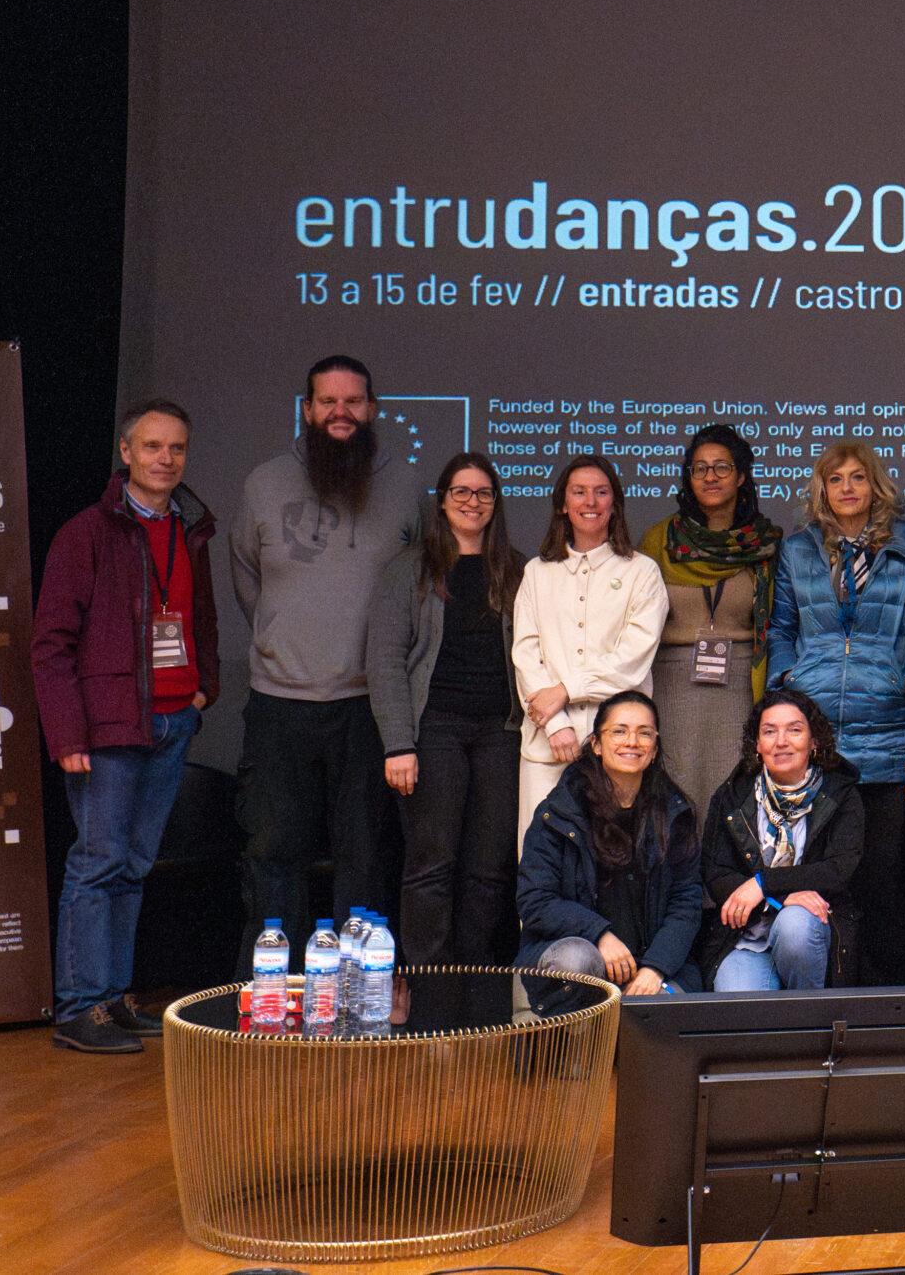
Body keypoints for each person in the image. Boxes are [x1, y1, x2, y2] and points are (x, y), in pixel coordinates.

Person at [32, 400, 218, 1053]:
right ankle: (79, 1008)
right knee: (99, 862)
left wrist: (203, 692)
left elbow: (200, 620)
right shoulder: (87, 533)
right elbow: (51, 644)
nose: (165, 459)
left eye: (177, 449)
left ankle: (112, 997)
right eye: (152, 446)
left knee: (134, 866)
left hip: (172, 722)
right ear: (126, 452)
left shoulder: (190, 529)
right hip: (108, 730)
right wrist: (67, 736)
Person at [228, 354, 423, 964]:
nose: (341, 412)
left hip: (368, 707)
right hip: (280, 702)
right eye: (328, 402)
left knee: (364, 857)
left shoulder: (407, 486)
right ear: (307, 410)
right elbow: (247, 582)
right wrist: (285, 641)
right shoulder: (265, 482)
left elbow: (421, 588)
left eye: (354, 402)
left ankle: (348, 996)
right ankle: (271, 993)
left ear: (373, 409)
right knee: (273, 850)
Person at [765, 438, 905, 984]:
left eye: (857, 478)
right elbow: (784, 628)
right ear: (822, 488)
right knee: (826, 878)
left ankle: (884, 997)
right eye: (835, 479)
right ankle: (833, 991)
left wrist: (901, 674)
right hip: (819, 734)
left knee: (882, 879)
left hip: (887, 730)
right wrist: (787, 682)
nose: (846, 489)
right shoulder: (797, 550)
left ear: (875, 485)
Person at [367, 451, 524, 968]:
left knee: (490, 866)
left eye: (483, 493)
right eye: (461, 492)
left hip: (502, 733)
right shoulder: (409, 568)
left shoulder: (516, 569)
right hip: (434, 732)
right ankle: (431, 982)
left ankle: (474, 977)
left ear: (495, 504)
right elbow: (385, 660)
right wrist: (398, 744)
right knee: (432, 864)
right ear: (442, 500)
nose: (472, 502)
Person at [511, 455, 668, 844]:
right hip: (546, 745)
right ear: (563, 504)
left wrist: (566, 690)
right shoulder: (537, 572)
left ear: (615, 503)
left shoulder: (642, 572)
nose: (591, 502)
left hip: (619, 747)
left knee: (612, 862)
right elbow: (526, 653)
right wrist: (557, 723)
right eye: (579, 492)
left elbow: (632, 660)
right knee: (540, 857)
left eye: (601, 492)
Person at [638, 424, 784, 813]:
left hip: (739, 687)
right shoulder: (659, 541)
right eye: (699, 468)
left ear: (741, 476)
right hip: (671, 684)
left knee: (732, 797)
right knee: (672, 797)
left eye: (721, 467)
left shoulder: (764, 544)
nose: (710, 477)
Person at [516, 690, 702, 994]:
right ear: (597, 745)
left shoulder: (674, 812)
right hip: (586, 957)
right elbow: (535, 900)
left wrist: (656, 968)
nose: (632, 742)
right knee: (577, 959)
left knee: (662, 1009)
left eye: (644, 733)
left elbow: (687, 901)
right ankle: (578, 1040)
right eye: (619, 731)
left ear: (654, 750)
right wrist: (599, 935)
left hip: (650, 964)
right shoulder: (560, 812)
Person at [698, 688, 862, 991]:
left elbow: (838, 869)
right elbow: (715, 871)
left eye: (795, 730)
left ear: (814, 742)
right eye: (769, 732)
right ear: (757, 745)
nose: (781, 741)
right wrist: (780, 896)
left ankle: (808, 1025)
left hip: (812, 932)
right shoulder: (733, 795)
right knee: (739, 1005)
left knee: (794, 924)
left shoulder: (841, 794)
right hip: (747, 936)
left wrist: (762, 883)